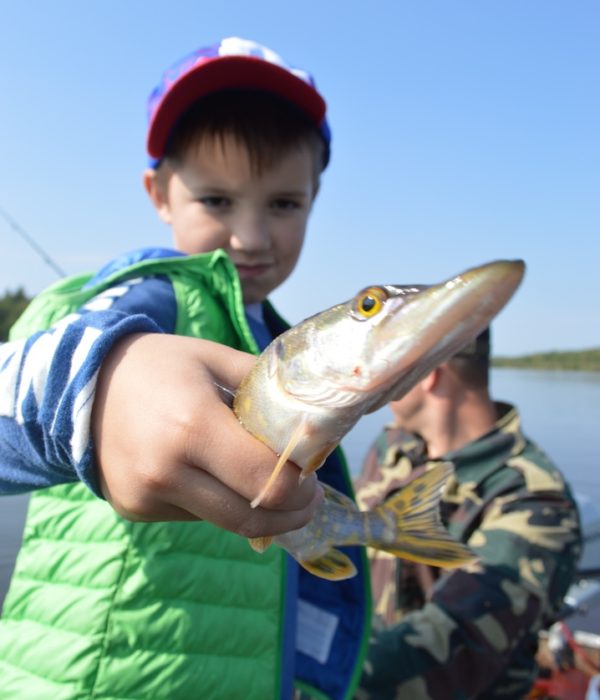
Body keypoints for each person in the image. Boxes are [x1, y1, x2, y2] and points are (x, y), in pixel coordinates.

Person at [0, 37, 370, 699]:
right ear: (159, 194)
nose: (251, 238)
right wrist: (97, 389)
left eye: (283, 204)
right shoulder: (144, 299)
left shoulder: (286, 345)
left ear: (315, 197)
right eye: (217, 201)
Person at [354, 328, 582, 700]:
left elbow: (451, 646)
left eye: (385, 364)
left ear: (427, 372)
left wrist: (307, 677)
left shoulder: (536, 502)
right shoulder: (391, 448)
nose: (370, 378)